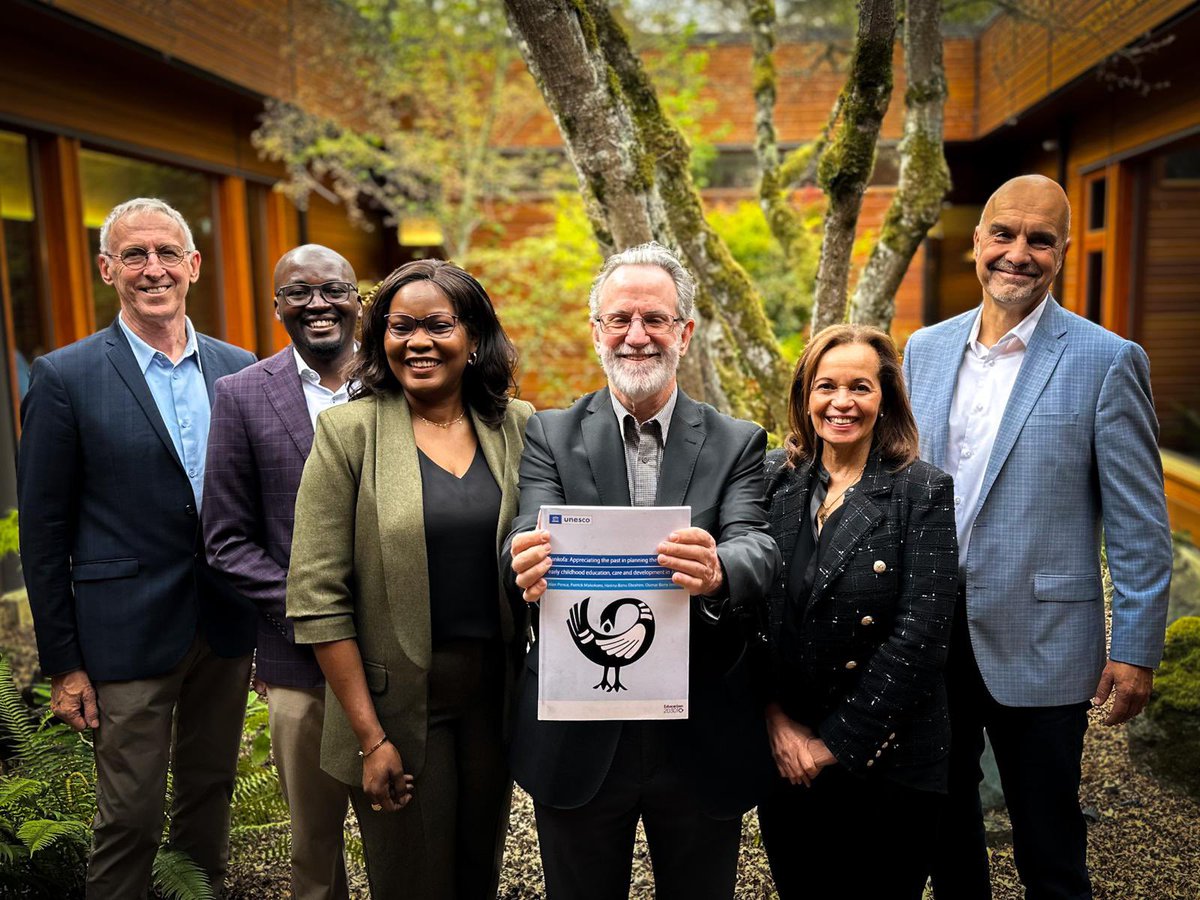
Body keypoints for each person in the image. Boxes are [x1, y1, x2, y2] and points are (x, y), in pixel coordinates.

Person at [903, 174, 1173, 899]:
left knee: (1050, 844)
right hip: (929, 633)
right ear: (977, 242)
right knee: (942, 826)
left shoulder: (1106, 359)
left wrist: (1136, 648)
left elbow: (1140, 522)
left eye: (1040, 239)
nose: (1018, 253)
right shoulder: (922, 350)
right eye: (1004, 234)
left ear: (1060, 253)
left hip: (1047, 634)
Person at [506, 241, 779, 900]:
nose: (637, 335)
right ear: (597, 331)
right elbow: (525, 529)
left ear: (684, 332)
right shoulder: (548, 433)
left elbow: (757, 545)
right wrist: (524, 555)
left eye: (654, 319)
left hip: (698, 728)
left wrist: (719, 568)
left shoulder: (736, 440)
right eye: (620, 319)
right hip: (579, 729)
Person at [17, 197, 257, 897]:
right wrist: (64, 665)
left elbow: (254, 505)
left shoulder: (237, 368)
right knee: (129, 816)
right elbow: (43, 533)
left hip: (222, 623)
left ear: (194, 265)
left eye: (166, 254)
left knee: (210, 794)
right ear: (106, 269)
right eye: (134, 255)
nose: (153, 270)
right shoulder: (65, 377)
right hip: (124, 632)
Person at [285, 259, 532, 899]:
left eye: (437, 325)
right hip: (392, 709)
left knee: (477, 876)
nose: (418, 341)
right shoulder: (347, 433)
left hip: (493, 702)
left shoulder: (518, 426)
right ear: (380, 338)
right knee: (413, 883)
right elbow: (316, 598)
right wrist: (371, 740)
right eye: (401, 327)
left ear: (474, 338)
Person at [757, 324, 958, 899]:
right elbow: (749, 617)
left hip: (890, 758)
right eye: (826, 386)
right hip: (788, 750)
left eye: (860, 387)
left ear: (885, 398)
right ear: (805, 395)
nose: (841, 402)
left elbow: (921, 639)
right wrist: (776, 721)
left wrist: (831, 746)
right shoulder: (774, 479)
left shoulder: (921, 491)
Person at [203, 244, 361, 900]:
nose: (317, 303)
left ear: (359, 301)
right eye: (299, 292)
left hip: (408, 654)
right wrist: (311, 610)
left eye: (333, 289)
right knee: (314, 850)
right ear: (277, 307)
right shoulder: (240, 396)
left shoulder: (400, 382)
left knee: (410, 838)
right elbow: (226, 540)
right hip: (298, 662)